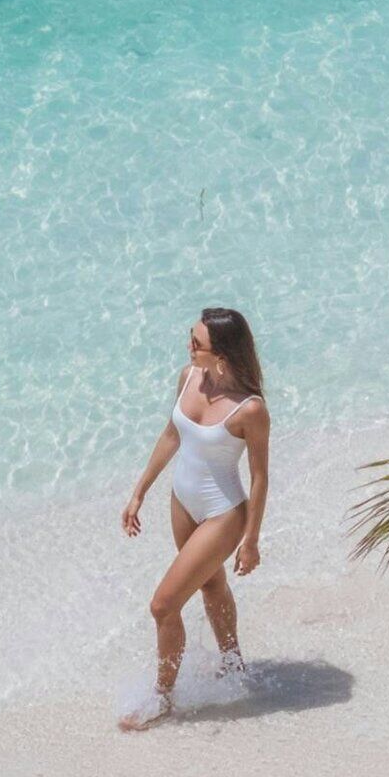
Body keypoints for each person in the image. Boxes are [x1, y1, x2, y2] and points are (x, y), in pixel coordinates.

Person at [115, 306, 269, 730]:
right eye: (191, 337)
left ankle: (161, 699)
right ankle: (234, 664)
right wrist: (138, 492)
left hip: (222, 513)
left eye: (197, 342)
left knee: (163, 605)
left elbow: (259, 478)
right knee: (211, 584)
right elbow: (171, 435)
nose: (189, 346)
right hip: (182, 501)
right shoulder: (188, 378)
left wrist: (251, 539)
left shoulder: (249, 409)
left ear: (221, 352)